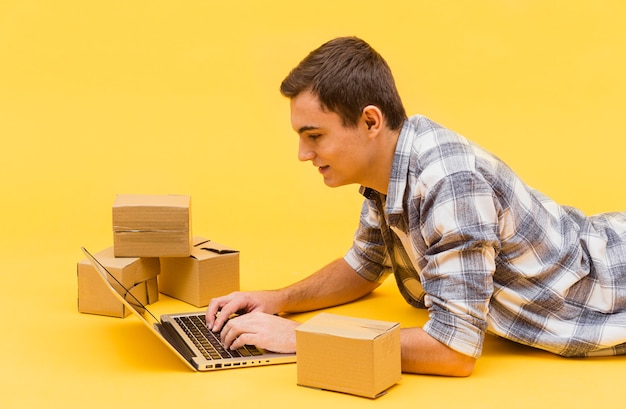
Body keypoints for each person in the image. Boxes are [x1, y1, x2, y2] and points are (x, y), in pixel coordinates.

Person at [206, 36, 626, 377]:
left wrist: (299, 337)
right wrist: (276, 300)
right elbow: (363, 267)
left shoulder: (447, 180)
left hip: (611, 284)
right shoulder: (391, 169)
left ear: (371, 122)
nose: (302, 153)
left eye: (314, 136)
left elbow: (453, 350)